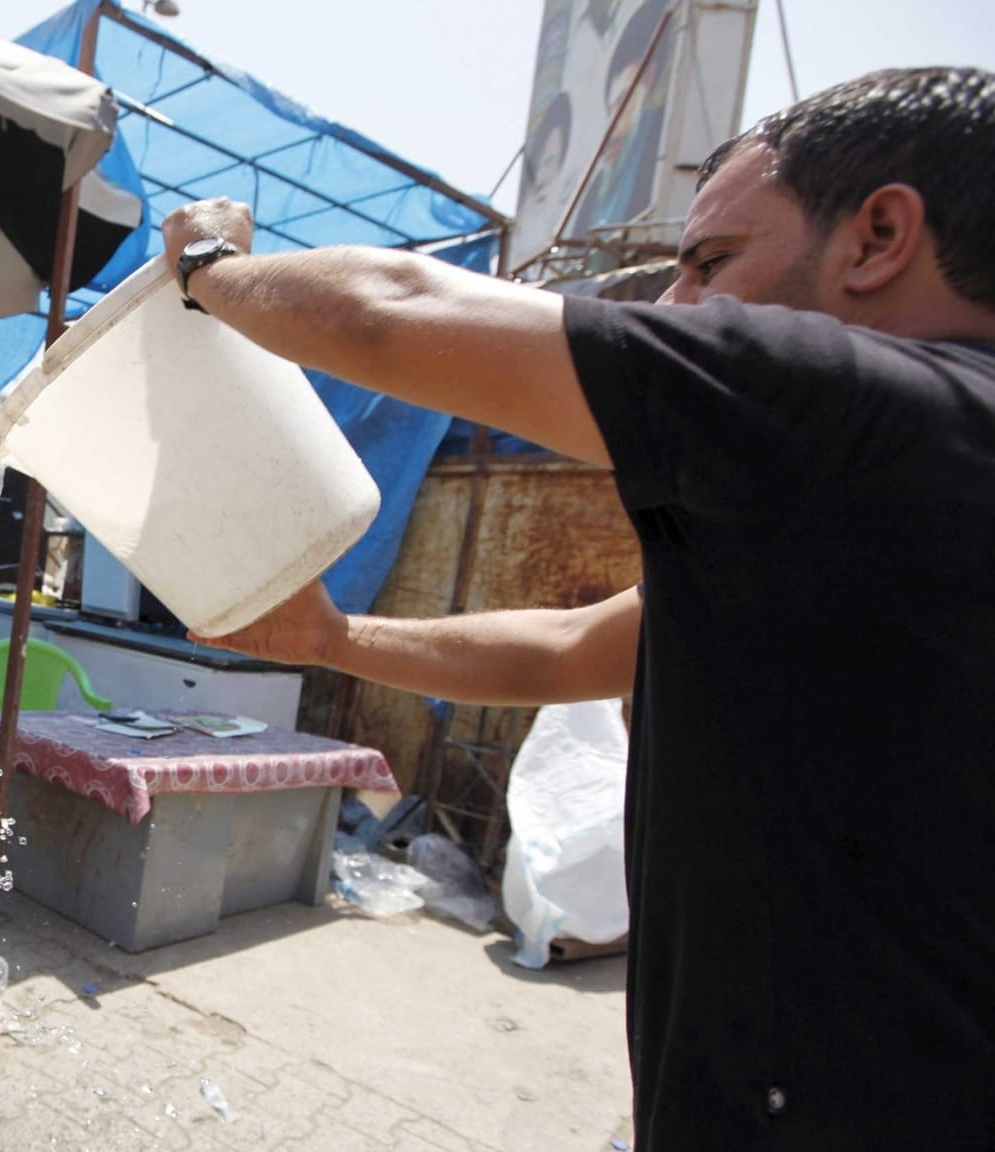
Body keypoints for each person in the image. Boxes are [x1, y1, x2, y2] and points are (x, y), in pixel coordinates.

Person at [163, 67, 995, 1149]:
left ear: (877, 236)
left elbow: (381, 315)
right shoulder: (885, 499)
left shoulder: (868, 407)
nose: (670, 307)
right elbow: (568, 649)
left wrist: (207, 267)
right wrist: (332, 639)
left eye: (708, 263)